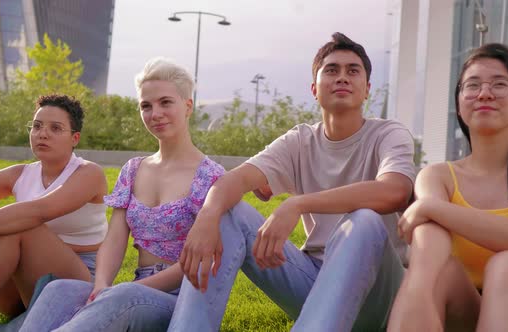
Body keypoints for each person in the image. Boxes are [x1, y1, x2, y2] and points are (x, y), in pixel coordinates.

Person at [170, 32, 416, 331]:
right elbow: (235, 180)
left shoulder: (388, 134)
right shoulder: (300, 140)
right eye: (331, 70)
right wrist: (207, 217)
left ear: (367, 90)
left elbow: (396, 191)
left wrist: (298, 204)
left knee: (364, 220)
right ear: (314, 89)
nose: (342, 77)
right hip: (314, 280)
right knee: (229, 211)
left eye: (353, 71)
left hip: (380, 293)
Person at [18, 58, 225, 332]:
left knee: (122, 296)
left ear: (187, 106)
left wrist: (124, 290)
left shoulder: (211, 176)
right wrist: (102, 283)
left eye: (166, 102)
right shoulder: (134, 169)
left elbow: (201, 262)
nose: (155, 113)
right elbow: (115, 238)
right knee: (60, 289)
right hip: (134, 288)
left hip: (184, 298)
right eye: (146, 106)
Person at [388, 43, 508, 332]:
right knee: (436, 274)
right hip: (473, 311)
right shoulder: (438, 176)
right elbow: (429, 246)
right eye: (472, 86)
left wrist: (433, 207)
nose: (484, 93)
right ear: (460, 104)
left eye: (499, 84)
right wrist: (419, 294)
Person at [0, 94, 107, 318]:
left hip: (77, 283)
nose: (43, 133)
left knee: (21, 226)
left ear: (75, 138)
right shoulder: (19, 174)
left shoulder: (89, 174)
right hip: (23, 287)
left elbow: (38, 212)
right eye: (37, 126)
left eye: (56, 128)